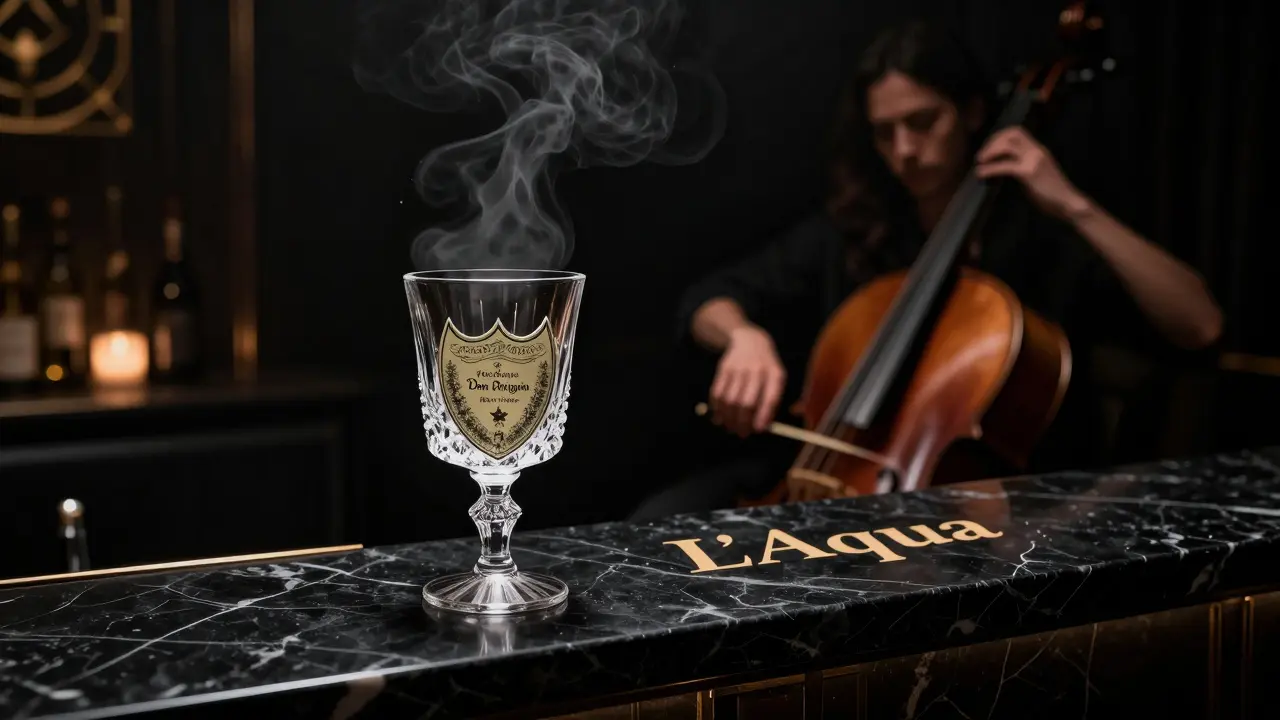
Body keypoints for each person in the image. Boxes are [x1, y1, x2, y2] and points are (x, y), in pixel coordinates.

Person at [631, 18, 1223, 520]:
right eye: (885, 133)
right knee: (660, 521)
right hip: (839, 474)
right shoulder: (858, 225)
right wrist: (744, 337)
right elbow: (711, 297)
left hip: (990, 507)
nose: (904, 151)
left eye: (922, 122)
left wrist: (1073, 205)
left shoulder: (1045, 235)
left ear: (969, 112)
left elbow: (1199, 327)